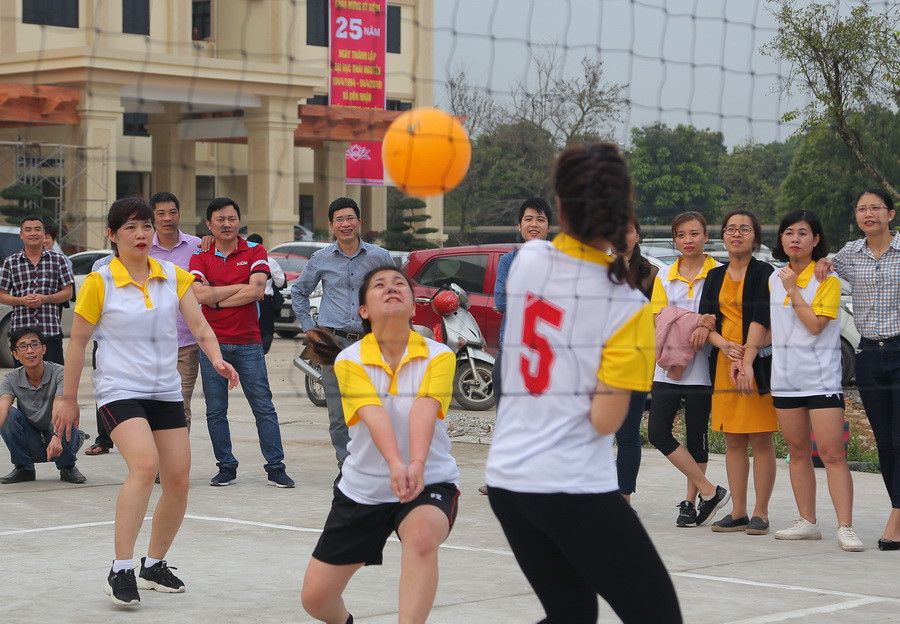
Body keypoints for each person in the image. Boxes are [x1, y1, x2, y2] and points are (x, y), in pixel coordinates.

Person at [485, 143, 682, 623]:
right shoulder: (627, 305)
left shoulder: (528, 261)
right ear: (624, 208)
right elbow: (606, 420)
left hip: (508, 480)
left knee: (571, 614)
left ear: (559, 205)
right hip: (569, 484)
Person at [52, 197, 238, 606]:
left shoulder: (172, 275)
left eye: (146, 226)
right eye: (131, 228)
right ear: (113, 235)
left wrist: (217, 359)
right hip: (119, 390)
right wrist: (68, 398)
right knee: (145, 465)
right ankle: (120, 568)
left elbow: (199, 324)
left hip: (164, 390)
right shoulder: (100, 281)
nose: (141, 234)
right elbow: (78, 344)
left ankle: (153, 564)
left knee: (179, 479)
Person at [300, 265, 460, 624]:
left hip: (428, 480)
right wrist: (395, 464)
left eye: (400, 284)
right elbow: (373, 415)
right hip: (364, 489)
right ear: (364, 311)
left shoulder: (439, 355)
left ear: (413, 306)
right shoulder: (349, 359)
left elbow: (424, 409)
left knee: (421, 539)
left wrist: (415, 464)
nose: (392, 288)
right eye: (380, 286)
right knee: (316, 599)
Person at [768, 209, 863, 551]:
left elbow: (815, 326)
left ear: (816, 240)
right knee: (796, 451)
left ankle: (846, 526)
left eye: (803, 233)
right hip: (785, 379)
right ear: (781, 239)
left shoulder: (828, 280)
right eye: (789, 232)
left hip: (821, 380)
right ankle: (806, 521)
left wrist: (794, 290)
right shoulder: (773, 278)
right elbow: (773, 329)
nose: (795, 238)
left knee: (832, 453)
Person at [189, 197, 295, 488]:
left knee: (263, 406)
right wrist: (240, 287)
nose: (227, 224)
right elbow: (199, 295)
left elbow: (258, 291)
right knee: (215, 409)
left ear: (239, 221)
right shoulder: (200, 256)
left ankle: (276, 467)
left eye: (232, 218)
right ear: (209, 224)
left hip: (249, 343)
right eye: (220, 219)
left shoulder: (255, 250)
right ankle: (226, 466)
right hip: (213, 344)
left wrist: (219, 299)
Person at [816, 189, 900, 551]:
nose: (869, 214)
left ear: (890, 213)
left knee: (899, 439)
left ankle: (896, 517)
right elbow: (823, 267)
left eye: (875, 208)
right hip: (867, 355)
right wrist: (822, 264)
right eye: (862, 209)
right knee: (885, 442)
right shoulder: (851, 253)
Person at [291, 197, 393, 471]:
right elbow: (299, 291)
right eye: (339, 220)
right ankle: (347, 468)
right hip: (332, 344)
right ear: (331, 226)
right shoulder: (321, 258)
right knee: (338, 414)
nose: (345, 224)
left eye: (350, 218)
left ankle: (374, 464)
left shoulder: (379, 257)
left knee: (374, 409)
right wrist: (309, 328)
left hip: (371, 344)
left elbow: (394, 292)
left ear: (359, 221)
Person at [648, 212, 730, 527]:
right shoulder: (664, 275)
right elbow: (659, 316)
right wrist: (699, 320)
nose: (688, 240)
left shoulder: (719, 273)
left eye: (694, 233)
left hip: (704, 368)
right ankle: (711, 491)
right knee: (657, 432)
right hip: (668, 366)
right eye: (681, 235)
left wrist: (706, 323)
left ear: (705, 236)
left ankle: (690, 502)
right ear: (675, 239)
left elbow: (723, 314)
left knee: (696, 437)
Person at [699, 210, 777, 535]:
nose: (736, 234)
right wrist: (724, 346)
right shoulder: (715, 276)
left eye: (744, 229)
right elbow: (704, 321)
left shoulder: (765, 273)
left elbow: (765, 319)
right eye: (730, 229)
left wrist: (745, 356)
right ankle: (739, 511)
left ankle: (760, 512)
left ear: (755, 238)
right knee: (732, 439)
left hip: (754, 362)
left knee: (760, 438)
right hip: (724, 365)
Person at [478, 197, 552, 495]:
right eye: (529, 219)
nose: (534, 224)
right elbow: (501, 301)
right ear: (519, 225)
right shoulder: (508, 261)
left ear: (549, 225)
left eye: (541, 219)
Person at [0, 327, 85, 484]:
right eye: (23, 346)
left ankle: (68, 467)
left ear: (43, 349)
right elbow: (3, 408)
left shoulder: (60, 372)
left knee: (64, 412)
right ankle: (24, 468)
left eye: (35, 344)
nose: (30, 350)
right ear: (15, 354)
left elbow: (61, 404)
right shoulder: (11, 378)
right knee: (8, 415)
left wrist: (56, 437)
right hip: (32, 435)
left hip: (60, 435)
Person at [614, 217, 660, 503]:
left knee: (628, 434)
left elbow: (657, 322)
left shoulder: (651, 274)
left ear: (637, 235)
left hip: (635, 364)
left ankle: (623, 496)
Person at [0, 215, 74, 364]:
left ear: (43, 233)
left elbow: (68, 292)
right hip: (21, 334)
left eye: (37, 229)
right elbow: (2, 295)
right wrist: (21, 301)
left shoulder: (58, 260)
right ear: (21, 235)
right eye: (28, 230)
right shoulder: (10, 262)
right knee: (23, 383)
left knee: (54, 381)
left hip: (50, 331)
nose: (33, 233)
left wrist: (46, 298)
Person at [246, 233, 286, 354]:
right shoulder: (269, 261)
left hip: (244, 299)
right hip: (265, 299)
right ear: (262, 245)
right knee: (267, 330)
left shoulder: (242, 260)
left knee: (248, 329)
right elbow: (280, 282)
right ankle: (261, 353)